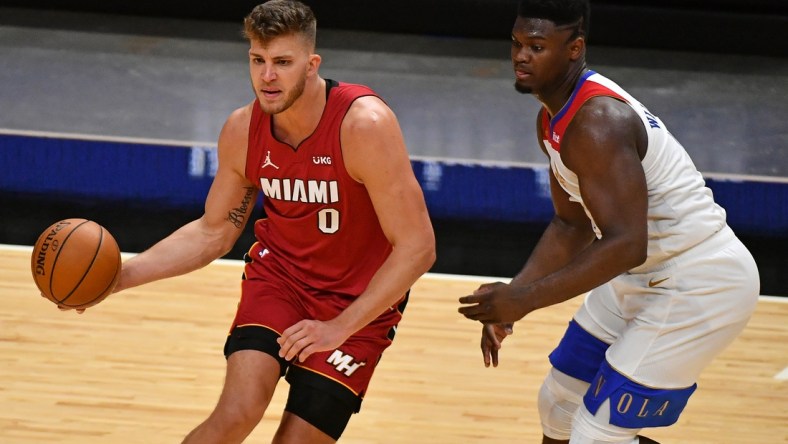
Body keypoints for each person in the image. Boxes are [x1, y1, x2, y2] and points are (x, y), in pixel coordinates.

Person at [63, 1, 435, 442]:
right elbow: (213, 230)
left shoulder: (364, 125)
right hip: (281, 282)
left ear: (312, 64)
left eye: (282, 62)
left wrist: (340, 326)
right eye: (258, 61)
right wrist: (119, 278)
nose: (267, 76)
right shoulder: (243, 129)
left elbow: (417, 247)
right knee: (236, 414)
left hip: (358, 302)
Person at [457, 1, 760, 443]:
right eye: (517, 44)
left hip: (696, 281)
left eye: (537, 47)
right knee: (558, 403)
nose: (521, 56)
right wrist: (513, 298)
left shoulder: (598, 122)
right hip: (641, 277)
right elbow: (571, 225)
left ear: (574, 48)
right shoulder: (552, 119)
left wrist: (524, 301)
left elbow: (626, 243)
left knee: (597, 436)